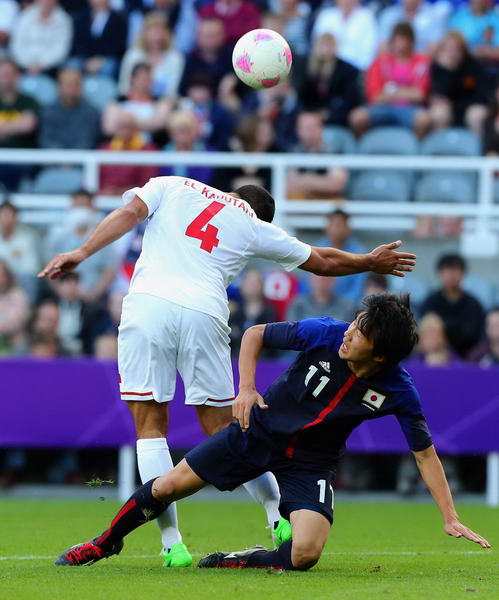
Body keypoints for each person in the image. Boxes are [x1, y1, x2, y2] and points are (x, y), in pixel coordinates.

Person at [40, 175, 416, 568]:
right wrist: (369, 262)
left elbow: (129, 213)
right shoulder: (253, 226)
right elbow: (322, 261)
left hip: (148, 305)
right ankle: (277, 519)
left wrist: (81, 252)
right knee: (228, 429)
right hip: (205, 311)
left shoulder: (172, 184)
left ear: (234, 194)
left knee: (150, 426)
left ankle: (173, 546)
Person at [54, 294, 491, 569]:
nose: (350, 333)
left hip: (311, 463)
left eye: (361, 334)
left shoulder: (399, 390)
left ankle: (237, 560)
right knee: (167, 486)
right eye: (356, 322)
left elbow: (425, 454)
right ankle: (105, 543)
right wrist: (245, 388)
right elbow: (255, 334)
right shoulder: (326, 332)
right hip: (256, 432)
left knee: (305, 554)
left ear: (381, 356)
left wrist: (449, 517)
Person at [349, 23, 431, 137]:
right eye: (398, 41)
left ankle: (415, 151)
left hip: (410, 108)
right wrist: (407, 92)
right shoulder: (379, 62)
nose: (401, 45)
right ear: (392, 42)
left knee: (424, 120)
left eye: (404, 40)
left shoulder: (421, 62)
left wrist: (391, 92)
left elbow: (420, 95)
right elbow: (375, 96)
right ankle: (364, 149)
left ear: (411, 42)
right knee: (357, 117)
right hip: (381, 108)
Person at [420, 254, 485, 357]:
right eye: (447, 271)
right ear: (439, 273)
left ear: (463, 274)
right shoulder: (430, 302)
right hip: (434, 356)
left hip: (469, 357)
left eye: (455, 270)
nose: (451, 275)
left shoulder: (473, 304)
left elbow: (477, 334)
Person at [429, 31, 490, 135]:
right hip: (447, 109)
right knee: (439, 113)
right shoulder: (438, 67)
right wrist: (447, 71)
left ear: (463, 50)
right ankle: (441, 148)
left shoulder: (473, 66)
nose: (452, 53)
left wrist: (457, 104)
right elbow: (439, 94)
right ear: (442, 51)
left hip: (469, 107)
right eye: (448, 49)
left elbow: (482, 95)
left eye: (456, 49)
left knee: (476, 114)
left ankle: (478, 148)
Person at [298, 33, 361, 128]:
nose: (326, 50)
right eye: (322, 45)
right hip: (310, 117)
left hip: (337, 121)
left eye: (329, 45)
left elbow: (349, 100)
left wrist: (328, 115)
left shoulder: (347, 70)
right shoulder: (306, 67)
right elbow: (302, 96)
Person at [118, 12, 184, 97]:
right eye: (153, 31)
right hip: (133, 101)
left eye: (160, 31)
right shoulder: (133, 55)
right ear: (144, 33)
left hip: (163, 105)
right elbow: (123, 86)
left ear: (167, 34)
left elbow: (172, 91)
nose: (157, 36)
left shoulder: (175, 58)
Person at [287, 111, 349, 199]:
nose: (310, 132)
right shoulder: (294, 152)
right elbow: (288, 185)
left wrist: (306, 180)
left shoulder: (333, 151)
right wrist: (321, 182)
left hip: (327, 206)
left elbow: (337, 184)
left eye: (313, 127)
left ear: (321, 128)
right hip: (301, 206)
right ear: (298, 130)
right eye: (306, 128)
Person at [103, 62, 171, 142]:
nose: (145, 82)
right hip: (121, 147)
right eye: (142, 78)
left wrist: (128, 122)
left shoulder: (160, 101)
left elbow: (159, 124)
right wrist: (145, 124)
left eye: (148, 79)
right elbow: (109, 128)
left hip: (149, 148)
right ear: (132, 78)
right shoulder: (118, 101)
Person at [0, 59, 38, 189]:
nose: (6, 79)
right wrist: (16, 125)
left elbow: (28, 126)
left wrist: (3, 128)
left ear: (18, 76)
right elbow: (22, 125)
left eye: (10, 74)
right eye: (3, 75)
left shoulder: (29, 101)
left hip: (23, 161)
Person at [39, 68, 101, 150]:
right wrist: (63, 159)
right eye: (68, 84)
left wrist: (72, 159)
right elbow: (46, 140)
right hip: (53, 160)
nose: (72, 88)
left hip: (82, 160)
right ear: (58, 87)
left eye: (76, 84)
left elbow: (88, 141)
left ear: (82, 87)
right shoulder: (47, 111)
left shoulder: (92, 112)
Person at [99, 112, 159, 195]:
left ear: (136, 128)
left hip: (136, 199)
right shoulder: (105, 150)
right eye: (121, 127)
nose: (124, 131)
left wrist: (123, 191)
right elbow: (100, 180)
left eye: (128, 126)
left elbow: (148, 183)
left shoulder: (148, 150)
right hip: (107, 197)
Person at [9, 0, 73, 75]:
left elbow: (61, 49)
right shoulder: (24, 17)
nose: (46, 1)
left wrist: (42, 64)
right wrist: (28, 64)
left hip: (52, 68)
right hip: (24, 66)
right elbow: (16, 45)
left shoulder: (64, 20)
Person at [318, 209, 367, 305]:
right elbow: (309, 284)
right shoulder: (317, 249)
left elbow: (359, 287)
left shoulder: (359, 253)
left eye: (338, 225)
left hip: (348, 308)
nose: (334, 229)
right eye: (331, 224)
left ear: (348, 229)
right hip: (319, 305)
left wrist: (341, 306)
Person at [312, 0, 377, 71]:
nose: (347, 1)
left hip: (355, 69)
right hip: (326, 69)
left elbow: (368, 51)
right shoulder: (325, 15)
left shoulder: (367, 17)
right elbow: (317, 45)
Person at [70, 0, 128, 78]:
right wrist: (87, 60)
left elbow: (118, 46)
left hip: (107, 59)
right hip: (84, 58)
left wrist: (101, 60)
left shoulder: (119, 19)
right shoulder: (81, 18)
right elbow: (78, 43)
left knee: (109, 67)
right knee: (72, 65)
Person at [178, 18, 232, 97]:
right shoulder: (190, 59)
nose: (210, 40)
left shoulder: (232, 57)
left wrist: (233, 79)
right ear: (198, 36)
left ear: (223, 35)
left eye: (214, 35)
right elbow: (182, 90)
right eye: (206, 35)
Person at [229, 269, 277, 357]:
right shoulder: (234, 311)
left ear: (262, 286)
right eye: (249, 282)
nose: (252, 286)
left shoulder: (269, 311)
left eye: (255, 283)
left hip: (264, 361)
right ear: (242, 286)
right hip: (235, 359)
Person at [0, 200, 40, 296]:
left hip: (19, 281)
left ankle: (27, 309)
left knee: (28, 278)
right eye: (4, 215)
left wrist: (10, 276)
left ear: (16, 218)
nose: (7, 219)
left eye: (10, 215)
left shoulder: (27, 238)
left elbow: (31, 268)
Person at [160, 109, 213, 184]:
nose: (183, 136)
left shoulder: (208, 153)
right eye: (178, 131)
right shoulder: (163, 154)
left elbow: (206, 181)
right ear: (171, 133)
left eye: (187, 130)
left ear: (195, 131)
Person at [378, 0, 449, 53]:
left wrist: (413, 65)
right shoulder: (388, 15)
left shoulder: (434, 16)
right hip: (392, 65)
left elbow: (434, 47)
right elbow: (383, 46)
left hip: (422, 67)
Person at [287, 274, 354, 323]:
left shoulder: (348, 307)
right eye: (317, 275)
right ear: (310, 278)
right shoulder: (298, 304)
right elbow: (291, 333)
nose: (322, 279)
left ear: (334, 279)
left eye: (326, 276)